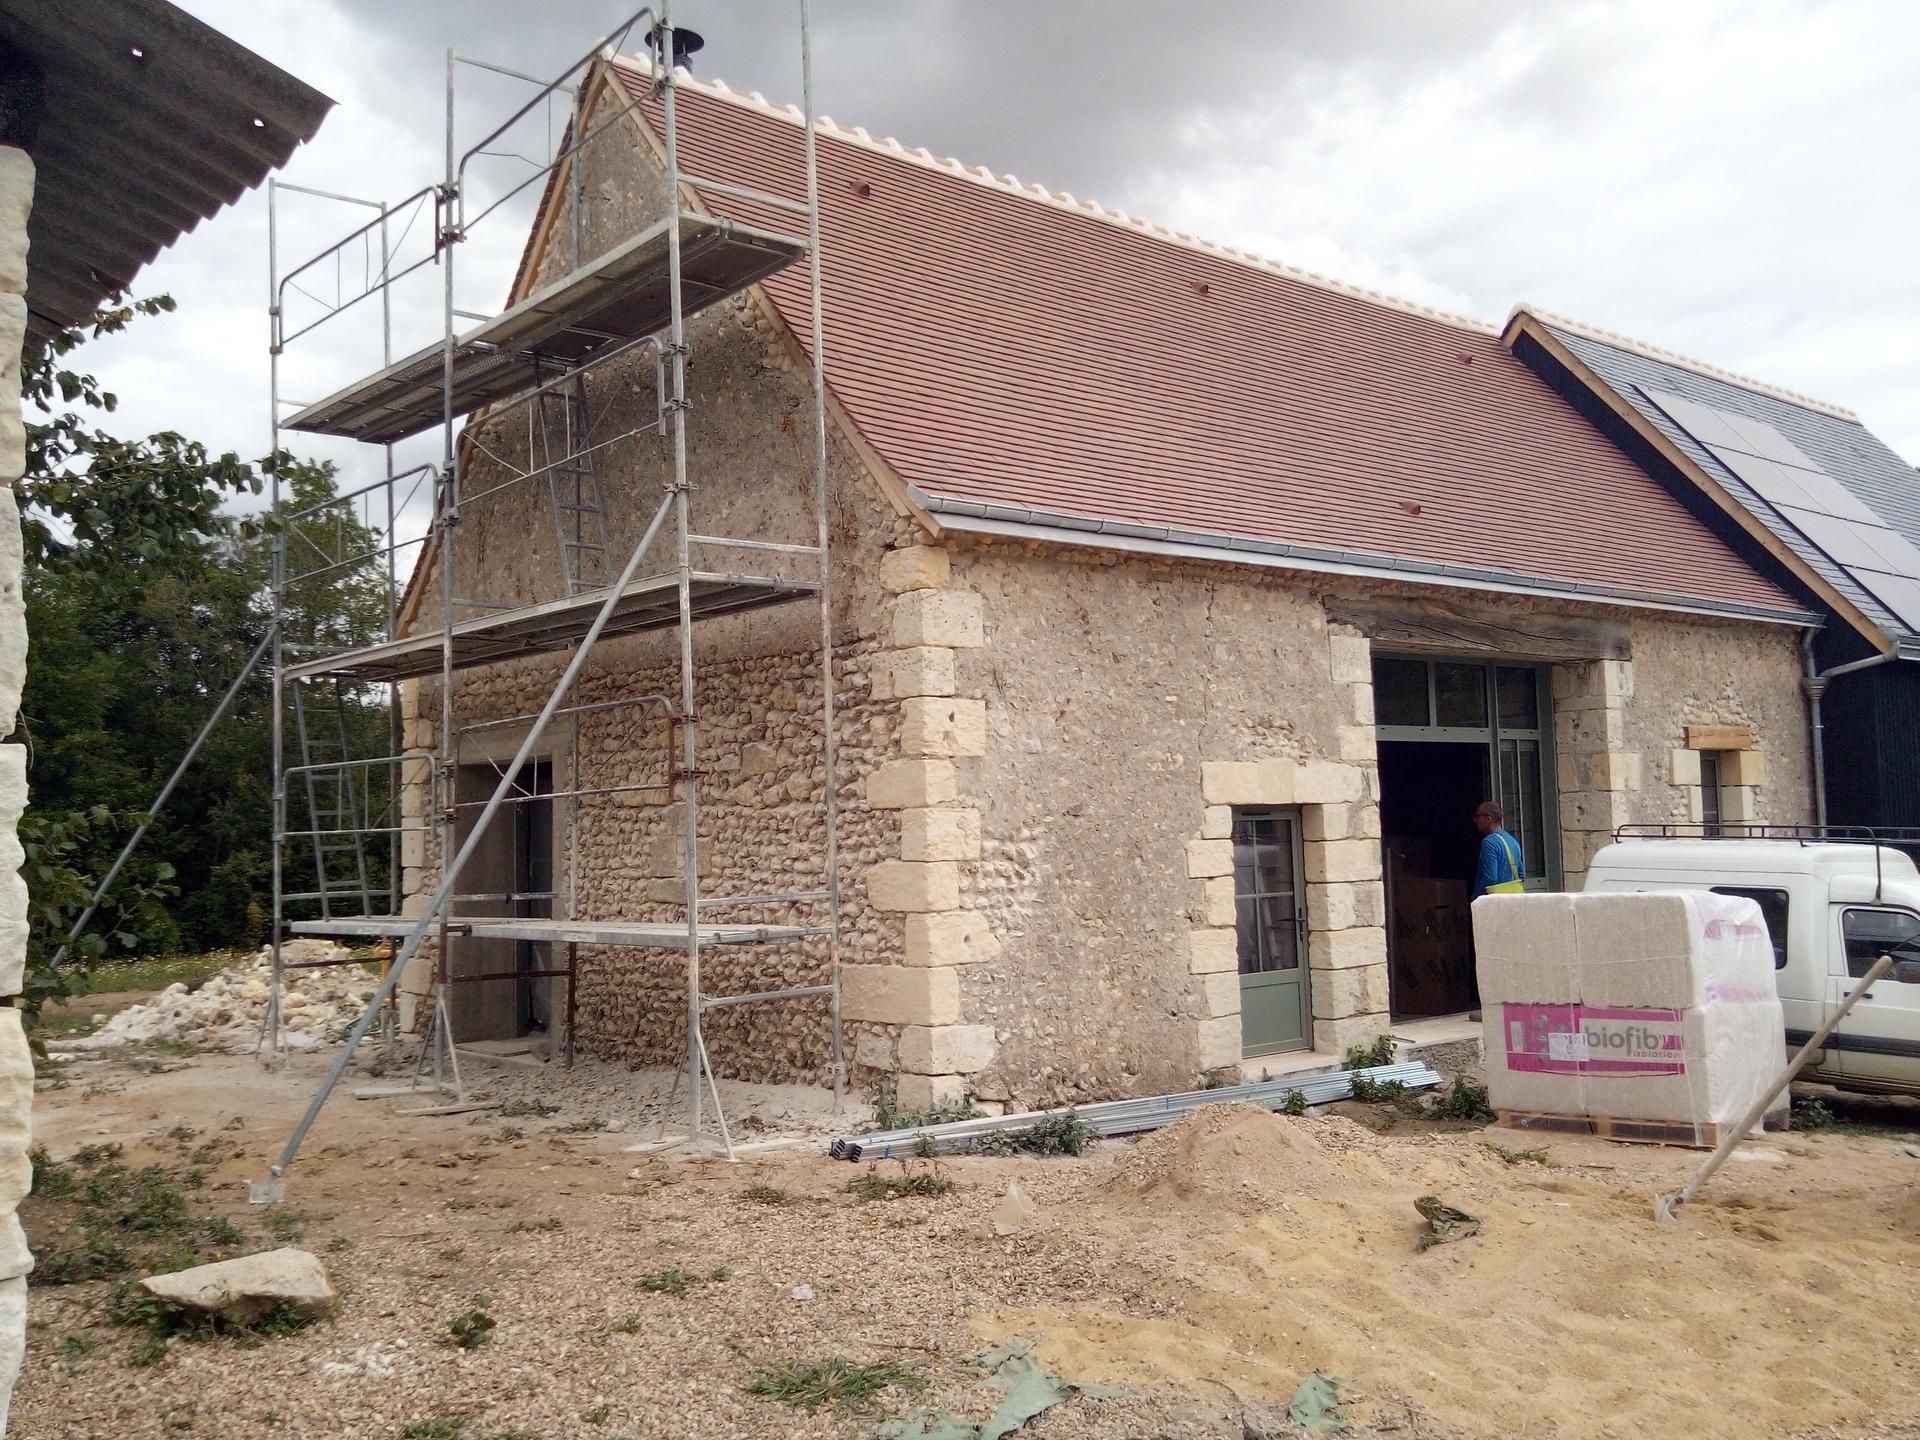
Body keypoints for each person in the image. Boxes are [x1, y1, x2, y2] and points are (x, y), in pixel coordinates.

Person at [1473, 801, 1525, 897]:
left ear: (1489, 819)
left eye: (1478, 816)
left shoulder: (1489, 842)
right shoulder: (1512, 841)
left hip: (1494, 901)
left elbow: (1490, 878)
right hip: (1513, 899)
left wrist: (1476, 897)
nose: (1475, 820)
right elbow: (1521, 874)